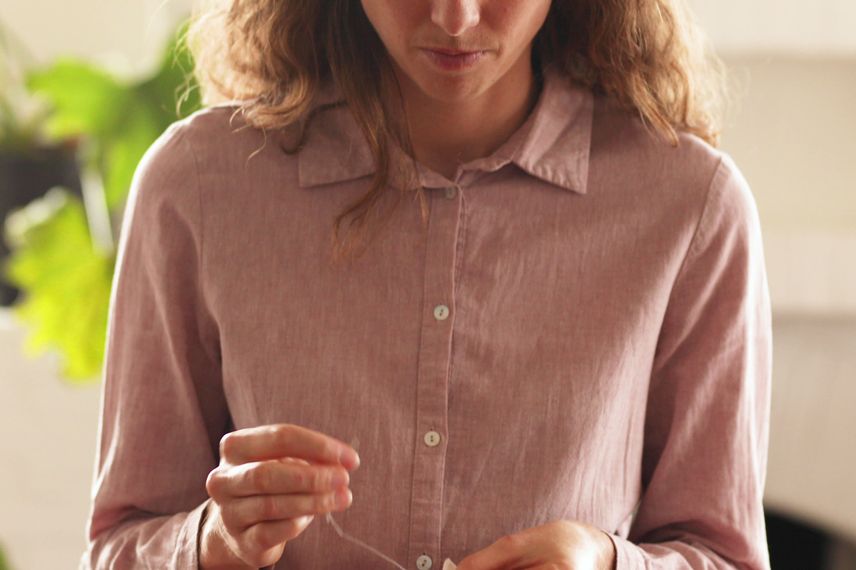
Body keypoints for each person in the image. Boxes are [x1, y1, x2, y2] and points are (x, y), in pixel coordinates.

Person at [79, 0, 774, 568]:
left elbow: (726, 557)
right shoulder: (197, 187)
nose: (454, 17)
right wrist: (213, 545)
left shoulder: (692, 207)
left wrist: (604, 561)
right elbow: (115, 548)